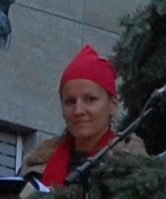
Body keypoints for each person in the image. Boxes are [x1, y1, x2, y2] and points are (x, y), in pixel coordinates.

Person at [27, 45, 146, 187]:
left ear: (113, 105)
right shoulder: (34, 168)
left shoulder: (132, 170)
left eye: (90, 99)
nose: (78, 110)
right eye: (70, 101)